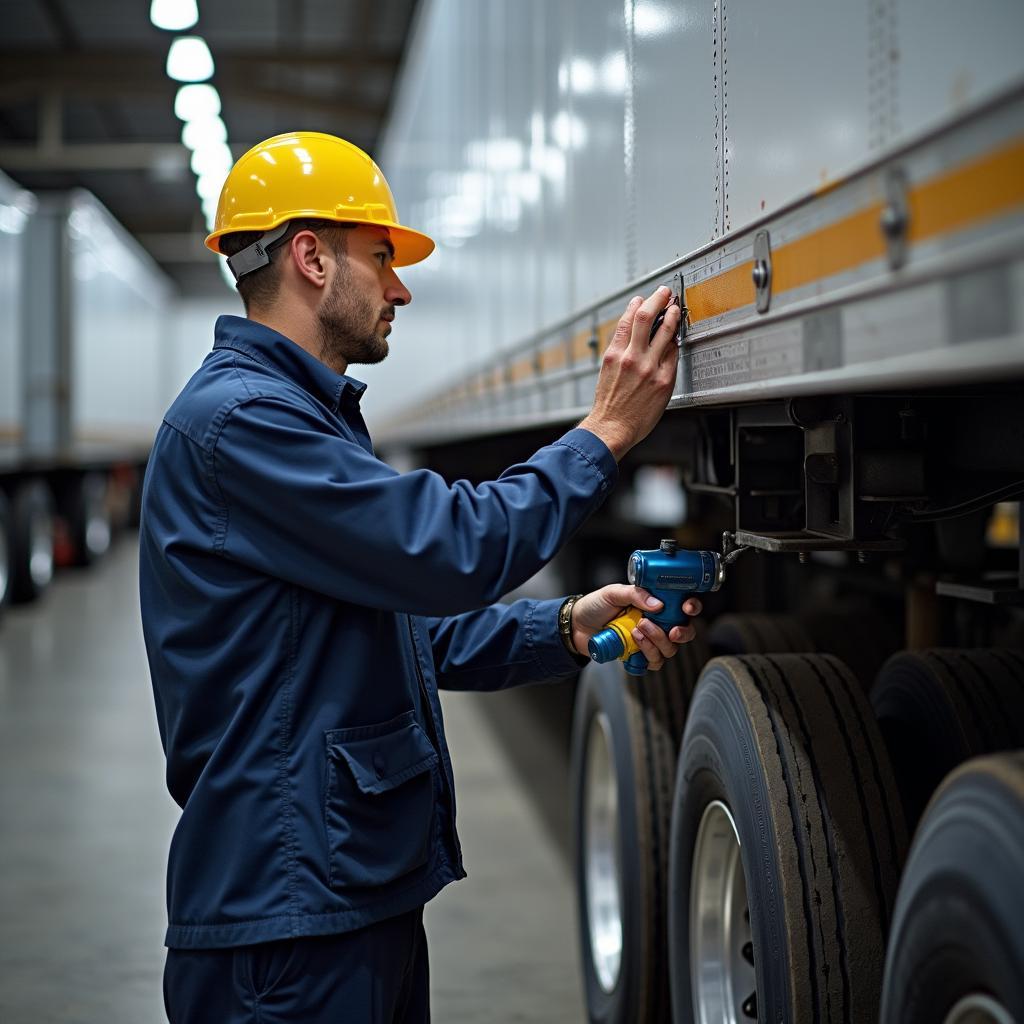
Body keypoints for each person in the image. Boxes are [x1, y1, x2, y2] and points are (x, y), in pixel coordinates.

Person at [139, 131, 698, 1023]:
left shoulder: (295, 417)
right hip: (288, 925)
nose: (400, 286)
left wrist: (564, 627)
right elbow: (449, 550)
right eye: (382, 257)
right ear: (311, 258)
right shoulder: (244, 423)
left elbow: (394, 633)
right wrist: (605, 435)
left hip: (337, 897)